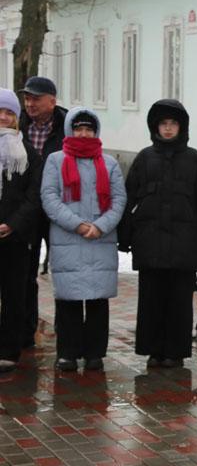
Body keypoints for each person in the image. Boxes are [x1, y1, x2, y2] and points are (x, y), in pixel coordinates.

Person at [119, 99, 197, 368]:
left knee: (178, 302)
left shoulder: (194, 160)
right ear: (155, 127)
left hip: (184, 246)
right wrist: (125, 235)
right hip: (150, 244)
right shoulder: (144, 158)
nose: (167, 129)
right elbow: (128, 197)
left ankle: (175, 352)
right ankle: (153, 350)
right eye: (163, 124)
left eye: (173, 123)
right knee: (151, 300)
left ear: (181, 127)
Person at [40, 108, 126, 371]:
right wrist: (77, 225)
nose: (84, 133)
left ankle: (94, 354)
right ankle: (67, 352)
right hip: (69, 239)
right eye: (79, 128)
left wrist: (100, 226)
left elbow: (119, 199)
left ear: (96, 131)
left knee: (98, 301)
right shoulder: (56, 160)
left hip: (100, 239)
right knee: (69, 300)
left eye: (89, 129)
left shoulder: (109, 163)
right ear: (70, 130)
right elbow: (50, 197)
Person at [18, 76, 66, 348]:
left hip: (58, 210)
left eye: (36, 98)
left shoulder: (68, 127)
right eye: (27, 98)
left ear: (52, 100)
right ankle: (25, 332)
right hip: (28, 209)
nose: (30, 103)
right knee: (25, 272)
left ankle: (66, 331)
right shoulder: (19, 127)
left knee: (63, 271)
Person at [0, 88, 42, 372]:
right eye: (0, 112)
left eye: (10, 113)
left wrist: (13, 224)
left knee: (14, 295)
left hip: (14, 236)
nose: (4, 117)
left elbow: (34, 195)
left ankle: (8, 350)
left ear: (17, 117)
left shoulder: (28, 152)